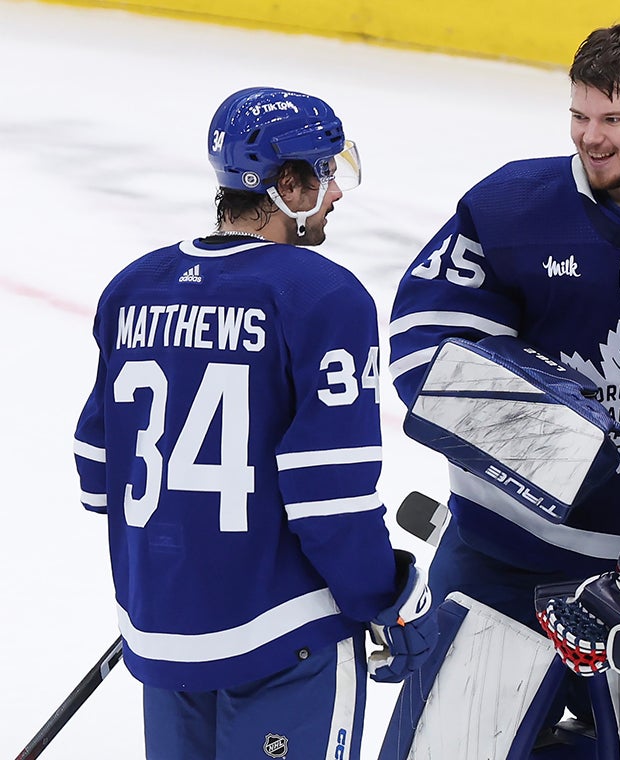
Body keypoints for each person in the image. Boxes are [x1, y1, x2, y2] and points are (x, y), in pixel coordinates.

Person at [383, 23, 620, 757]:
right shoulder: (513, 207)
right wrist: (557, 445)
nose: (591, 137)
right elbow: (419, 349)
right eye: (579, 116)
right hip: (499, 564)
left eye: (613, 119)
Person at [72, 87, 436, 760]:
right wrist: (386, 597)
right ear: (288, 184)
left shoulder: (131, 288)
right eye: (326, 173)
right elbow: (331, 498)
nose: (337, 192)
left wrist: (191, 576)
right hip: (285, 639)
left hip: (163, 636)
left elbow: (100, 475)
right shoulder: (326, 297)